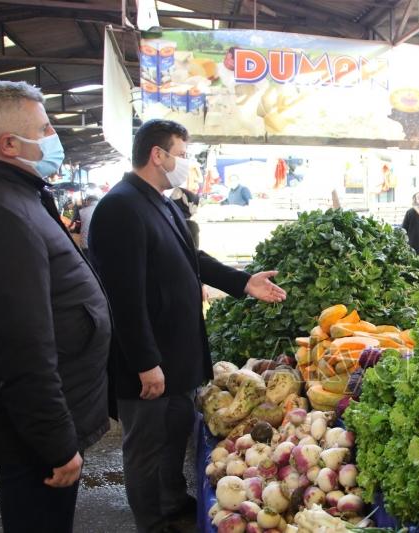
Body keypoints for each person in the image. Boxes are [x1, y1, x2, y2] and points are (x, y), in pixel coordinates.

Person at [88, 119, 287, 533]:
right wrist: (145, 362)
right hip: (149, 360)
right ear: (157, 155)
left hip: (178, 356)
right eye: (181, 154)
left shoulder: (164, 202)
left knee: (175, 433)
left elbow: (192, 258)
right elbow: (123, 297)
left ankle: (173, 500)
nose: (186, 162)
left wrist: (243, 281)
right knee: (145, 444)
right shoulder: (120, 207)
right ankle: (151, 520)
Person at [0, 81, 111, 532]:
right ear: (9, 144)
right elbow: (23, 346)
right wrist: (57, 444)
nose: (52, 139)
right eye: (44, 129)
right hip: (37, 441)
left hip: (49, 423)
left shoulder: (23, 197)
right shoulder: (5, 214)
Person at [78, 194, 99, 261]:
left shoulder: (82, 211)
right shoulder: (103, 209)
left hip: (85, 242)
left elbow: (78, 226)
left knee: (88, 263)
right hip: (99, 242)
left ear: (88, 201)